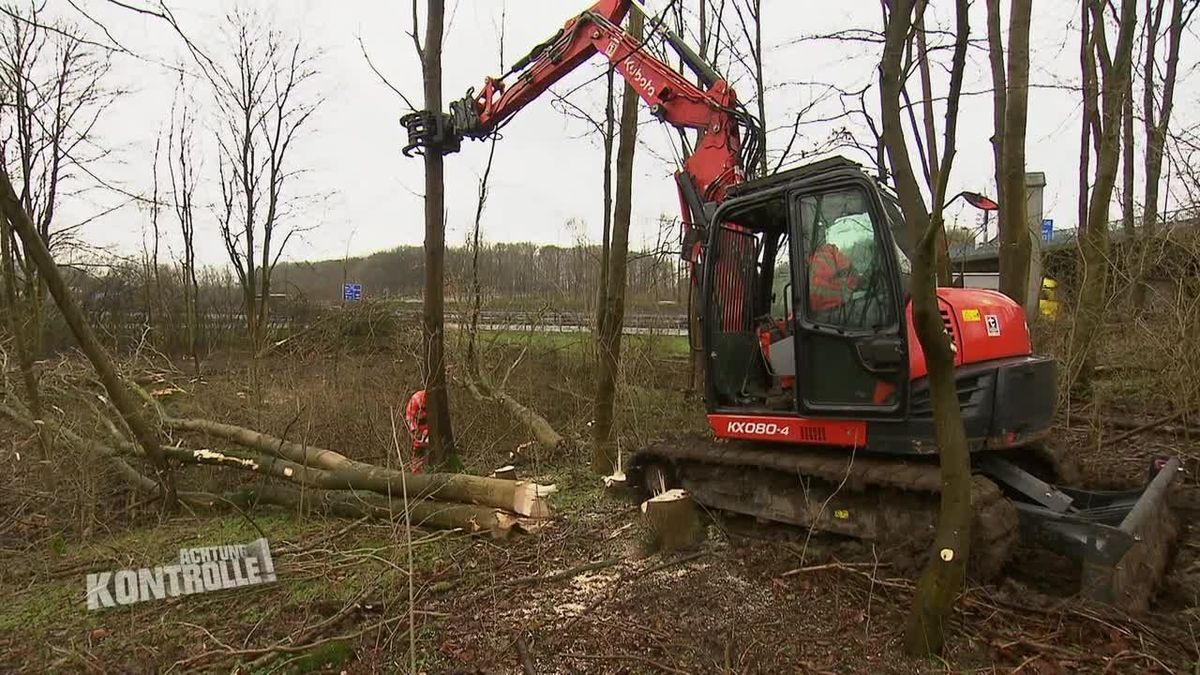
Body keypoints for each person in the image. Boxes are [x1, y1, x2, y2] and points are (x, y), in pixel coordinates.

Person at [404, 390, 430, 473]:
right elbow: (409, 418)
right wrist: (415, 431)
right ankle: (416, 472)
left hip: (432, 428)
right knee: (418, 450)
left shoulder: (437, 398)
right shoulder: (416, 399)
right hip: (420, 429)